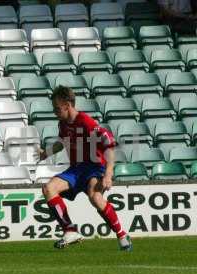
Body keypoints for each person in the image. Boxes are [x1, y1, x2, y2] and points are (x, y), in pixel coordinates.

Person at [39, 86, 132, 251]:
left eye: (57, 108)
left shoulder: (86, 122)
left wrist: (108, 175)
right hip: (76, 170)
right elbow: (63, 142)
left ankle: (122, 235)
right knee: (48, 188)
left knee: (95, 198)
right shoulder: (62, 124)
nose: (54, 111)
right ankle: (70, 231)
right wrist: (46, 153)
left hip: (94, 167)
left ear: (67, 105)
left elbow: (108, 145)